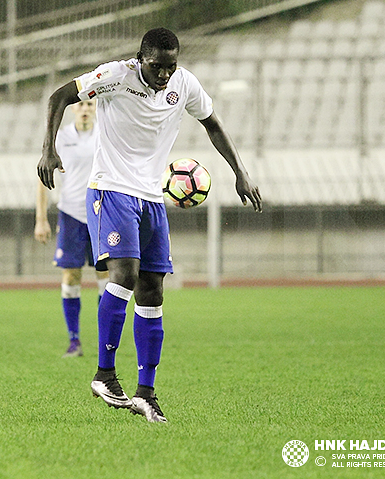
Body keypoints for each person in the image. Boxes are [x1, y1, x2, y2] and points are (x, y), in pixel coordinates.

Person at [37, 27, 262, 423]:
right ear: (141, 59)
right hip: (110, 188)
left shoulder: (184, 84)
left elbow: (211, 122)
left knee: (153, 290)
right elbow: (60, 96)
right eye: (158, 66)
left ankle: (146, 392)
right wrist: (48, 149)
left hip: (152, 197)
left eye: (170, 66)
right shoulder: (115, 76)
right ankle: (104, 373)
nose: (164, 75)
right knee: (124, 273)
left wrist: (240, 171)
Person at [35, 99, 109, 358]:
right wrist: (41, 218)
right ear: (73, 109)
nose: (85, 108)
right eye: (81, 105)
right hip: (71, 214)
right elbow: (45, 177)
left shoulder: (106, 132)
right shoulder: (61, 138)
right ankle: (74, 340)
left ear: (95, 106)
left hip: (102, 213)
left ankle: (105, 339)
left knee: (106, 278)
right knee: (70, 277)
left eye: (90, 104)